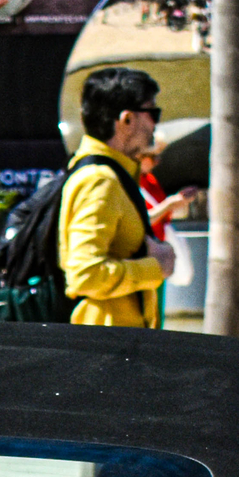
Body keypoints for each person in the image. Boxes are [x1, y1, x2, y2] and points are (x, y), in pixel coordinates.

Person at [59, 67, 171, 329]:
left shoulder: (111, 174)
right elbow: (85, 275)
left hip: (114, 347)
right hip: (105, 350)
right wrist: (156, 267)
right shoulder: (100, 181)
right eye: (152, 113)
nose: (155, 124)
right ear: (127, 120)